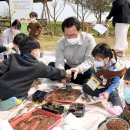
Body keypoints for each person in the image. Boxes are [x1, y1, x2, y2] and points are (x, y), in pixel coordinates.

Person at [0, 36, 71, 100]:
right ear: (33, 51)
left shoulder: (12, 57)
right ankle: (17, 100)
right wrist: (65, 73)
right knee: (22, 96)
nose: (39, 52)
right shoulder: (37, 66)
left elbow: (1, 70)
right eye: (38, 50)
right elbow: (52, 71)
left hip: (2, 88)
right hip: (16, 93)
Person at [49, 17, 96, 85]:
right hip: (69, 68)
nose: (70, 38)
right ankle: (74, 79)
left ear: (79, 31)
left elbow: (89, 60)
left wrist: (78, 69)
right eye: (67, 35)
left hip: (84, 69)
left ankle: (73, 78)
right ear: (63, 33)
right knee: (51, 66)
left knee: (92, 75)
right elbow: (59, 61)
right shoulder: (60, 43)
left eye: (73, 35)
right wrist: (63, 74)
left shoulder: (89, 39)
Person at [82, 43, 126, 115]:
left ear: (107, 59)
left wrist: (108, 92)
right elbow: (95, 76)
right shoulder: (98, 65)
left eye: (98, 60)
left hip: (110, 87)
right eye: (95, 59)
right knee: (85, 87)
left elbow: (115, 83)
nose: (96, 61)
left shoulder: (116, 68)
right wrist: (92, 83)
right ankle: (103, 95)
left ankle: (118, 107)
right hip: (100, 85)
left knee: (114, 94)